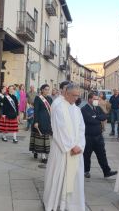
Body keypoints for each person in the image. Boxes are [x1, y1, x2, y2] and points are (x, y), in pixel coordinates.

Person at [43, 83, 86, 211]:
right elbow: (59, 129)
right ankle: (54, 204)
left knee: (75, 178)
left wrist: (79, 146)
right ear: (67, 94)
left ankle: (72, 205)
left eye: (78, 96)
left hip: (76, 150)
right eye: (75, 96)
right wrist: (71, 146)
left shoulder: (77, 109)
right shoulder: (58, 107)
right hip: (63, 150)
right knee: (58, 177)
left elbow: (82, 129)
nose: (77, 99)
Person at [81, 92, 117, 179]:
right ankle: (86, 171)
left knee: (102, 154)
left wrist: (96, 117)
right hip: (88, 136)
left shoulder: (97, 108)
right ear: (90, 100)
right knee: (87, 154)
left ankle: (106, 171)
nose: (97, 101)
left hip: (98, 136)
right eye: (95, 99)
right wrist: (98, 119)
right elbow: (89, 120)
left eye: (97, 99)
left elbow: (104, 116)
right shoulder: (84, 109)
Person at [30, 84, 53, 163]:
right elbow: (35, 110)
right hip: (40, 120)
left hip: (47, 121)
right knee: (39, 138)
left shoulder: (50, 99)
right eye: (46, 89)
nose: (47, 91)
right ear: (42, 89)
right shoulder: (38, 98)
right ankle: (43, 157)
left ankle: (41, 152)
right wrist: (35, 121)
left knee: (45, 139)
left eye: (48, 89)